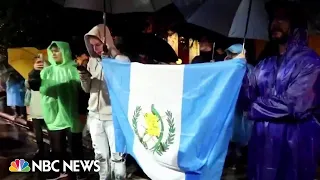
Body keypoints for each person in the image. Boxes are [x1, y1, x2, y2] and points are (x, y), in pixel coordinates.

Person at [241, 2, 320, 180]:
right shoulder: (264, 65)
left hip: (295, 148)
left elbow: (294, 105)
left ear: (297, 24)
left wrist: (254, 108)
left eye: (282, 19)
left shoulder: (311, 62)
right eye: (273, 19)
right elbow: (245, 99)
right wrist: (239, 71)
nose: (275, 23)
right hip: (261, 148)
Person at [79, 24, 129, 180]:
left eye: (98, 44)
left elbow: (123, 86)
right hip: (94, 116)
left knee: (117, 158)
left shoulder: (121, 60)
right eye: (92, 46)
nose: (95, 49)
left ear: (106, 41)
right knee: (100, 157)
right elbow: (87, 90)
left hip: (114, 118)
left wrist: (109, 60)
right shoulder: (92, 61)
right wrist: (84, 76)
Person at [33, 41, 86, 180]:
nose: (54, 53)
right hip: (54, 114)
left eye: (57, 50)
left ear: (65, 51)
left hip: (72, 114)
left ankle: (80, 172)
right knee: (57, 148)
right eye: (52, 51)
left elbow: (84, 91)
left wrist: (82, 112)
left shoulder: (74, 68)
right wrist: (34, 72)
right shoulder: (46, 71)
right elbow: (34, 85)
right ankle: (62, 171)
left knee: (76, 147)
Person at [28, 56, 48, 160]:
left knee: (50, 128)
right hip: (36, 104)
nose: (40, 64)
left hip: (48, 105)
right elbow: (32, 84)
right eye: (38, 62)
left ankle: (54, 148)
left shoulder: (49, 73)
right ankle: (41, 149)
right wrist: (35, 71)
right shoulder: (32, 74)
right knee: (38, 130)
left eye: (42, 62)